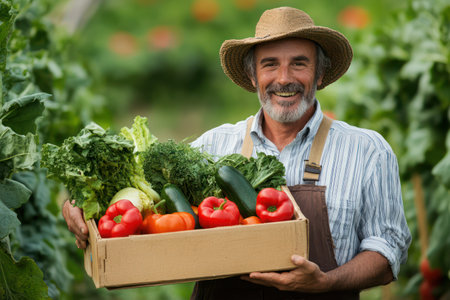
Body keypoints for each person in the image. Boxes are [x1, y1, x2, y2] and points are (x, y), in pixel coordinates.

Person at [62, 6, 411, 299]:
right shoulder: (213, 146)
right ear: (253, 76)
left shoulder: (368, 151)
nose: (284, 78)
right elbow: (135, 195)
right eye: (270, 64)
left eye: (300, 64)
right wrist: (78, 205)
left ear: (320, 74)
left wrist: (326, 283)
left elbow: (388, 248)